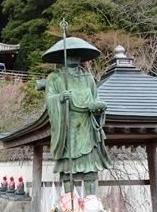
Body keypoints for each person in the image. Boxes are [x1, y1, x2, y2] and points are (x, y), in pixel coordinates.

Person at [43, 37, 112, 195]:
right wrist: (60, 98)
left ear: (81, 57)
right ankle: (68, 201)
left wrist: (98, 109)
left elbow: (96, 99)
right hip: (67, 126)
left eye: (77, 54)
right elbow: (49, 99)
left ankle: (91, 202)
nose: (74, 57)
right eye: (70, 54)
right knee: (68, 171)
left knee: (90, 169)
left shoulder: (88, 78)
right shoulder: (55, 77)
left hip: (87, 126)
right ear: (63, 57)